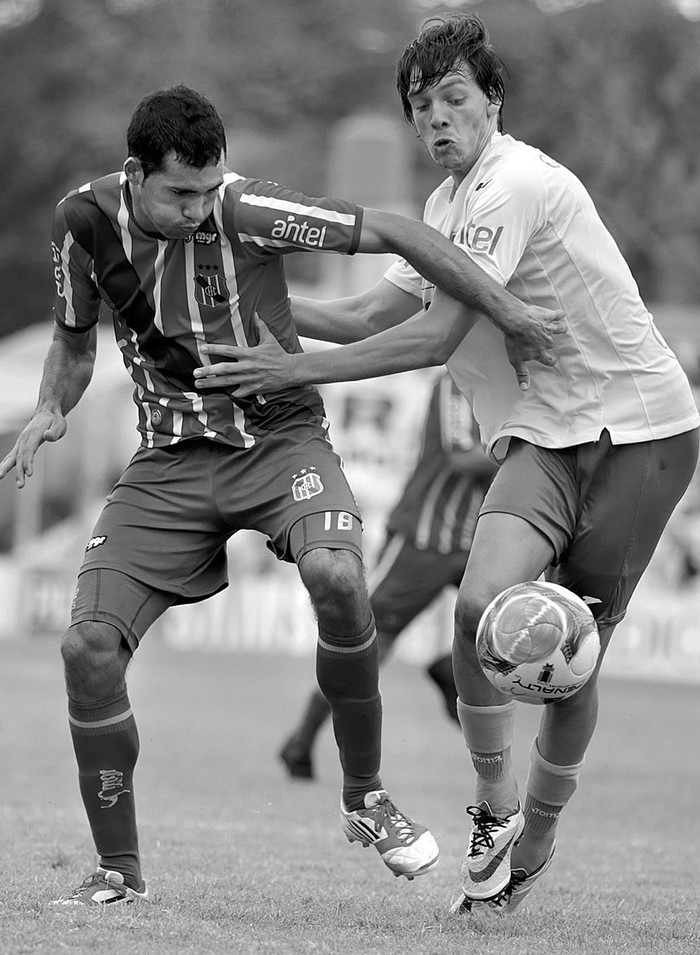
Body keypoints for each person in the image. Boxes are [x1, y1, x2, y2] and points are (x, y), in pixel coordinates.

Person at [0, 84, 562, 907]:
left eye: (210, 188)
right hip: (169, 460)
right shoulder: (81, 224)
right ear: (134, 175)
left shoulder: (250, 209)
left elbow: (398, 232)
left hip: (281, 441)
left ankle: (365, 795)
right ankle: (119, 870)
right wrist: (52, 405)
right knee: (86, 650)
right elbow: (73, 342)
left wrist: (506, 309)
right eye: (180, 194)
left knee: (338, 574)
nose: (201, 209)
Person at [193, 14, 700, 915]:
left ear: (493, 100)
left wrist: (289, 367)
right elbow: (358, 321)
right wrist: (236, 290)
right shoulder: (438, 210)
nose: (437, 118)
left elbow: (434, 336)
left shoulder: (509, 184)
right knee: (476, 609)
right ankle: (496, 808)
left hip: (642, 431)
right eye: (422, 105)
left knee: (571, 657)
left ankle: (537, 836)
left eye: (455, 97)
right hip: (545, 434)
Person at [280, 370, 496, 779]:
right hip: (423, 540)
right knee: (363, 642)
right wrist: (529, 451)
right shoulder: (459, 377)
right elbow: (463, 455)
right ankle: (300, 742)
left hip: (481, 538)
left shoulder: (509, 381)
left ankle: (451, 665)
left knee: (515, 625)